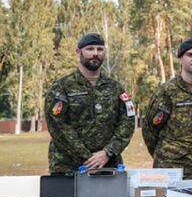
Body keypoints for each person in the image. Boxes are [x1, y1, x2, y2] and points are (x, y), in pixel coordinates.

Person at [45, 33, 135, 173]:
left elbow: (128, 121)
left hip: (108, 165)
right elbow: (57, 125)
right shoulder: (62, 87)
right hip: (68, 166)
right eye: (90, 49)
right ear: (78, 52)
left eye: (100, 49)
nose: (95, 53)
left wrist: (107, 152)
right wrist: (88, 157)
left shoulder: (115, 88)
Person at [143, 39, 192, 179]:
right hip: (171, 166)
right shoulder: (167, 91)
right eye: (190, 55)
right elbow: (150, 129)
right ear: (180, 59)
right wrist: (164, 154)